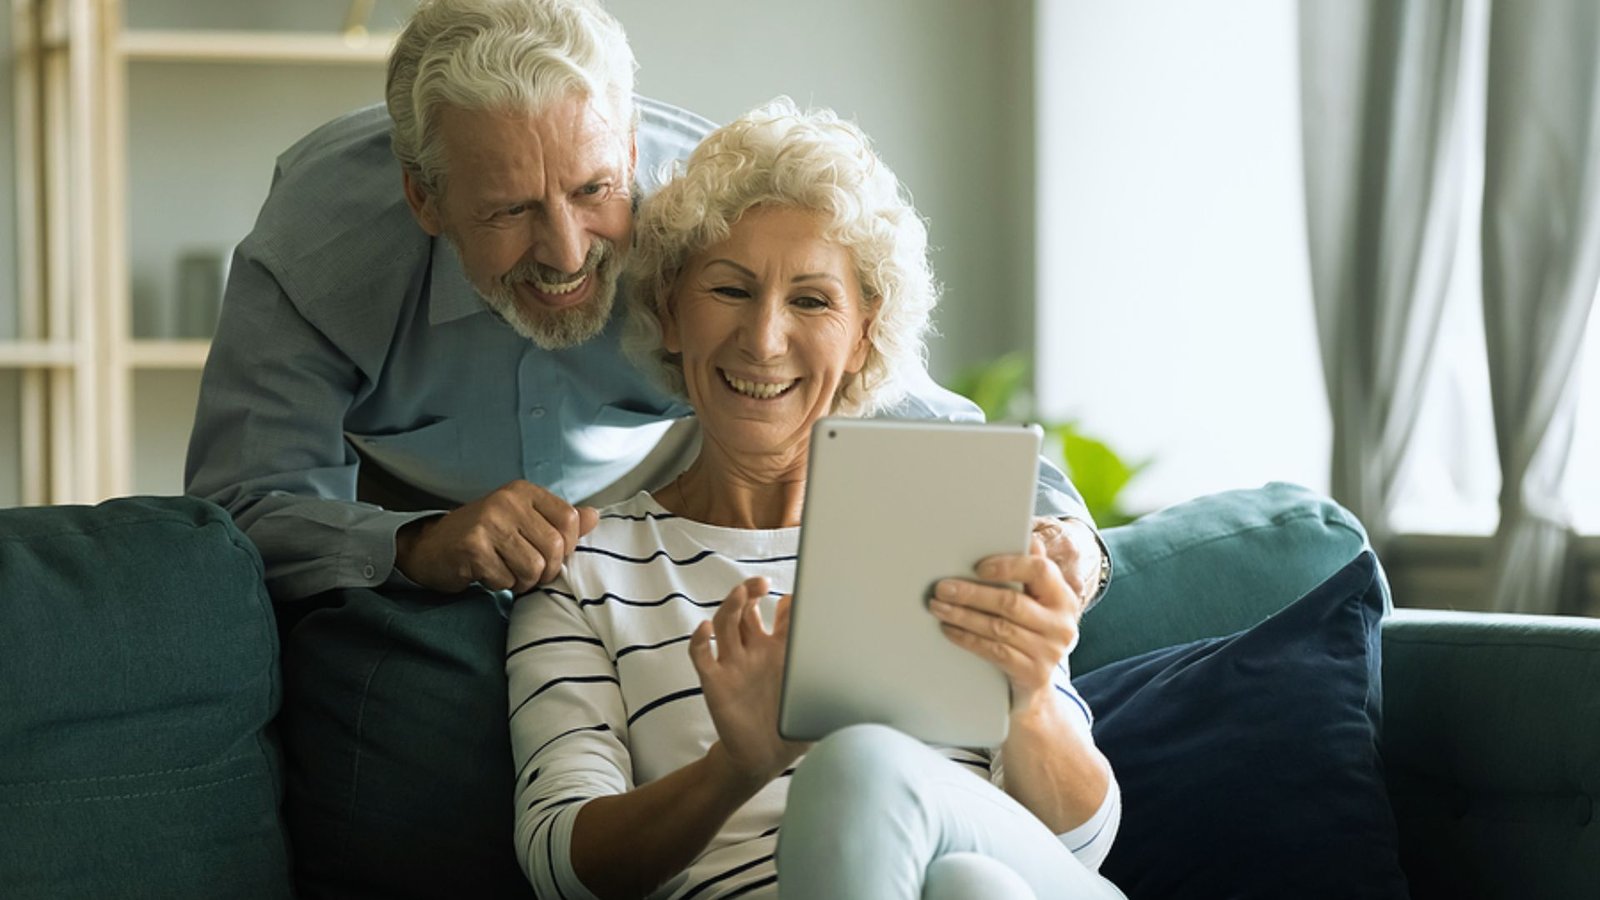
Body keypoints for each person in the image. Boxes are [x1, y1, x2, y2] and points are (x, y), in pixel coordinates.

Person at [182, 0, 1110, 612]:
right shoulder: (314, 250)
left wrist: (1067, 537)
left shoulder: (709, 205)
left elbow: (909, 413)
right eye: (508, 210)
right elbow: (242, 510)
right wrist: (419, 545)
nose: (565, 251)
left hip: (661, 494)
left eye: (593, 190)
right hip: (401, 509)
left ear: (628, 148)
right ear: (425, 198)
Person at [507, 99, 1124, 900]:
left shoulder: (955, 531)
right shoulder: (583, 572)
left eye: (811, 300)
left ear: (864, 334)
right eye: (730, 290)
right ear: (668, 314)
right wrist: (736, 767)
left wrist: (1034, 697)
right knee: (975, 889)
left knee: (916, 815)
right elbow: (562, 869)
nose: (764, 340)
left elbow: (1082, 848)